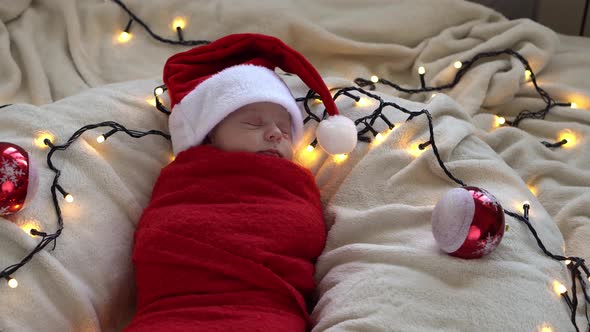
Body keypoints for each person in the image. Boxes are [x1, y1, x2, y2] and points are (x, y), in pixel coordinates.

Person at [124, 33, 355, 332]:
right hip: (173, 312)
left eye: (285, 129)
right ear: (210, 134)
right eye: (253, 123)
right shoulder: (184, 177)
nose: (274, 133)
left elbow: (303, 232)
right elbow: (162, 235)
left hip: (263, 311)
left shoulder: (294, 182)